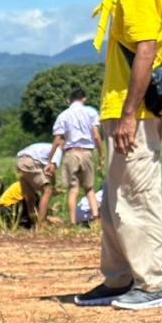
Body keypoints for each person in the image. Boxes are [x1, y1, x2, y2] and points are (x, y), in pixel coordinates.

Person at [75, 0, 162, 310]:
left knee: (138, 197)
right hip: (122, 110)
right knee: (115, 201)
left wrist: (130, 113)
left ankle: (153, 282)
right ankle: (120, 278)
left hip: (137, 113)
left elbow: (147, 48)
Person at [47, 88, 104, 229]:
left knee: (73, 189)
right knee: (89, 188)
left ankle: (72, 222)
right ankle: (96, 218)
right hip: (87, 152)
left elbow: (58, 138)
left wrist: (50, 158)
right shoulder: (91, 112)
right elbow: (96, 135)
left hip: (71, 152)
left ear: (69, 100)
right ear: (84, 99)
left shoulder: (63, 115)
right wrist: (102, 153)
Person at [15, 141, 61, 227]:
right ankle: (41, 223)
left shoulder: (46, 147)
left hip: (20, 162)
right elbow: (52, 170)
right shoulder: (58, 150)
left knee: (31, 197)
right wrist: (54, 186)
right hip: (30, 161)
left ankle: (33, 222)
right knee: (48, 191)